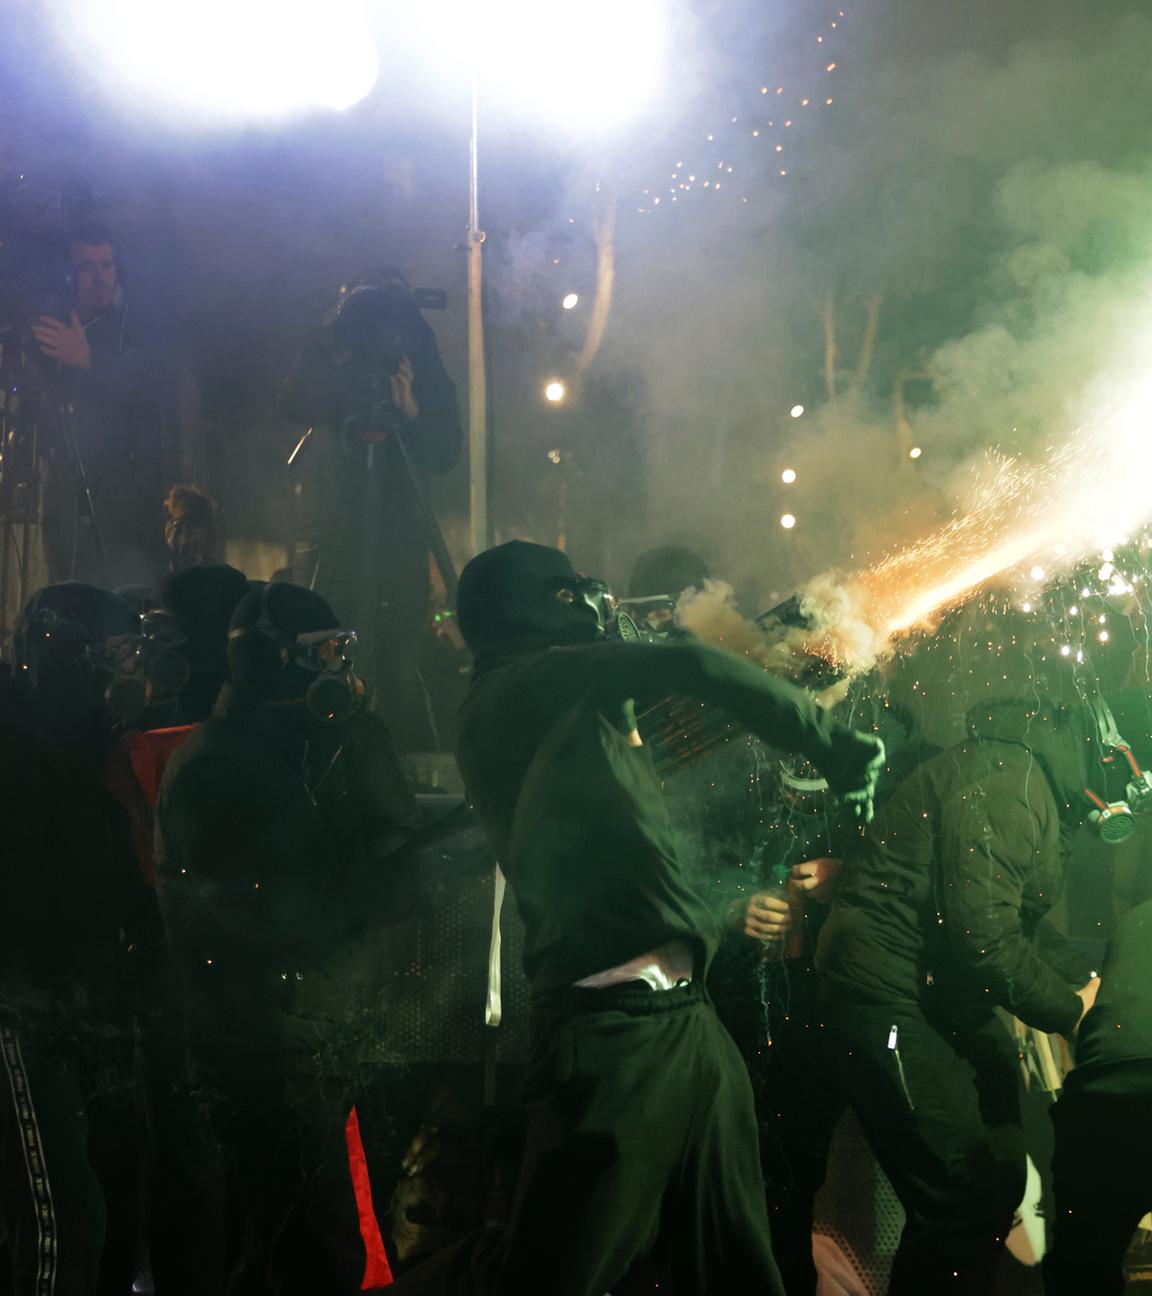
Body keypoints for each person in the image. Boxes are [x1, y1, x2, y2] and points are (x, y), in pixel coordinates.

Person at [392, 540, 885, 1296]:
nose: (591, 601)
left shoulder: (566, 695)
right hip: (612, 1034)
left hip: (686, 1028)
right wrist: (837, 747)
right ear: (529, 612)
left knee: (740, 1274)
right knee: (548, 1278)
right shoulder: (516, 689)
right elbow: (693, 671)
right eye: (568, 594)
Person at [154, 581, 420, 1294]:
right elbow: (248, 918)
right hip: (265, 1040)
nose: (339, 666)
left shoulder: (302, 742)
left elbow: (390, 856)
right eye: (325, 652)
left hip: (314, 1026)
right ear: (276, 660)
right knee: (305, 1245)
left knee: (312, 1237)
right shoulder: (216, 767)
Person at [815, 693, 1113, 1295]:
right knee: (959, 1189)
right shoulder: (1012, 783)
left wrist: (1086, 973)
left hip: (932, 997)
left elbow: (1009, 920)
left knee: (995, 1173)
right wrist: (1068, 1009)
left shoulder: (1021, 776)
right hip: (886, 995)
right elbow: (982, 940)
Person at [0, 582, 155, 1296]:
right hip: (27, 1014)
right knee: (64, 1216)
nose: (126, 677)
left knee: (105, 1203)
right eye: (115, 657)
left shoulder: (74, 747)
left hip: (79, 1006)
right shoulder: (19, 753)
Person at [282, 269, 462, 752]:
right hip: (340, 534)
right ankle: (330, 759)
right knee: (331, 658)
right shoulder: (337, 364)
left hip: (401, 542)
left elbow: (447, 452)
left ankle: (400, 765)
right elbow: (292, 400)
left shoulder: (423, 366)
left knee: (400, 671)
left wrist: (411, 410)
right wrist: (329, 337)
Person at [30, 223, 168, 588]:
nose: (99, 276)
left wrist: (90, 361)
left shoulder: (137, 324)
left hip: (124, 502)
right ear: (68, 276)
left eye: (106, 265)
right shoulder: (55, 327)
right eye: (87, 267)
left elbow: (150, 388)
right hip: (62, 493)